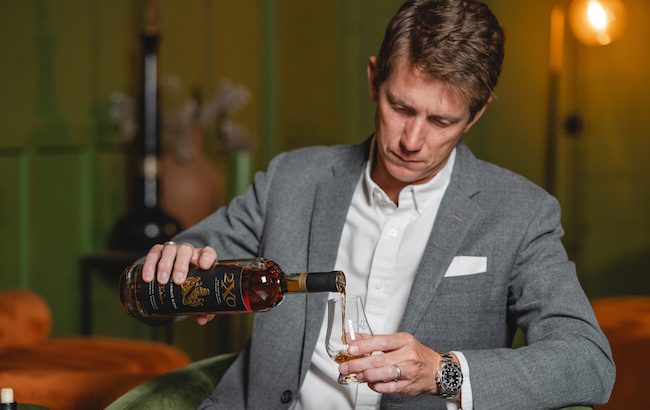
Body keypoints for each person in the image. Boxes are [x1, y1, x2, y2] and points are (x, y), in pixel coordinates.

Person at [140, 0, 615, 408]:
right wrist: (171, 273)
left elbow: (588, 360)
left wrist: (442, 372)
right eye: (401, 107)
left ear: (477, 113)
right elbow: (157, 294)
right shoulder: (294, 179)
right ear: (374, 79)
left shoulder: (520, 212)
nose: (413, 140)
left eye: (441, 121)